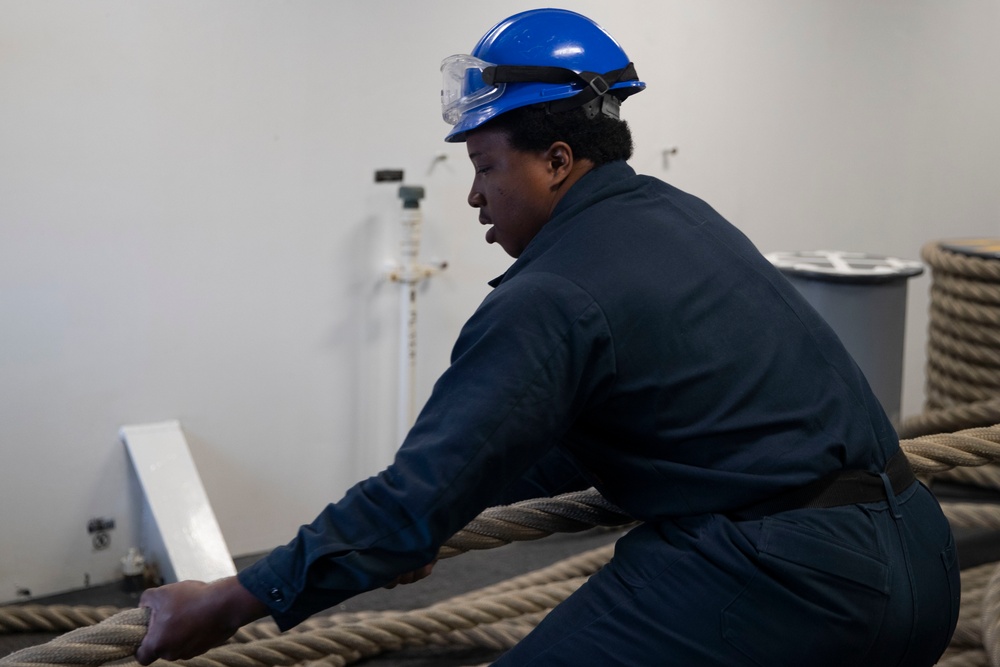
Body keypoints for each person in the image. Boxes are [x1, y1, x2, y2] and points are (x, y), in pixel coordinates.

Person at [136, 9, 960, 666]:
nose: (473, 197)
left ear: (557, 160)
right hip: (923, 557)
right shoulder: (682, 219)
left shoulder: (551, 293)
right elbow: (586, 425)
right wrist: (445, 505)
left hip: (788, 578)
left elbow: (417, 493)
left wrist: (230, 600)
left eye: (485, 166)